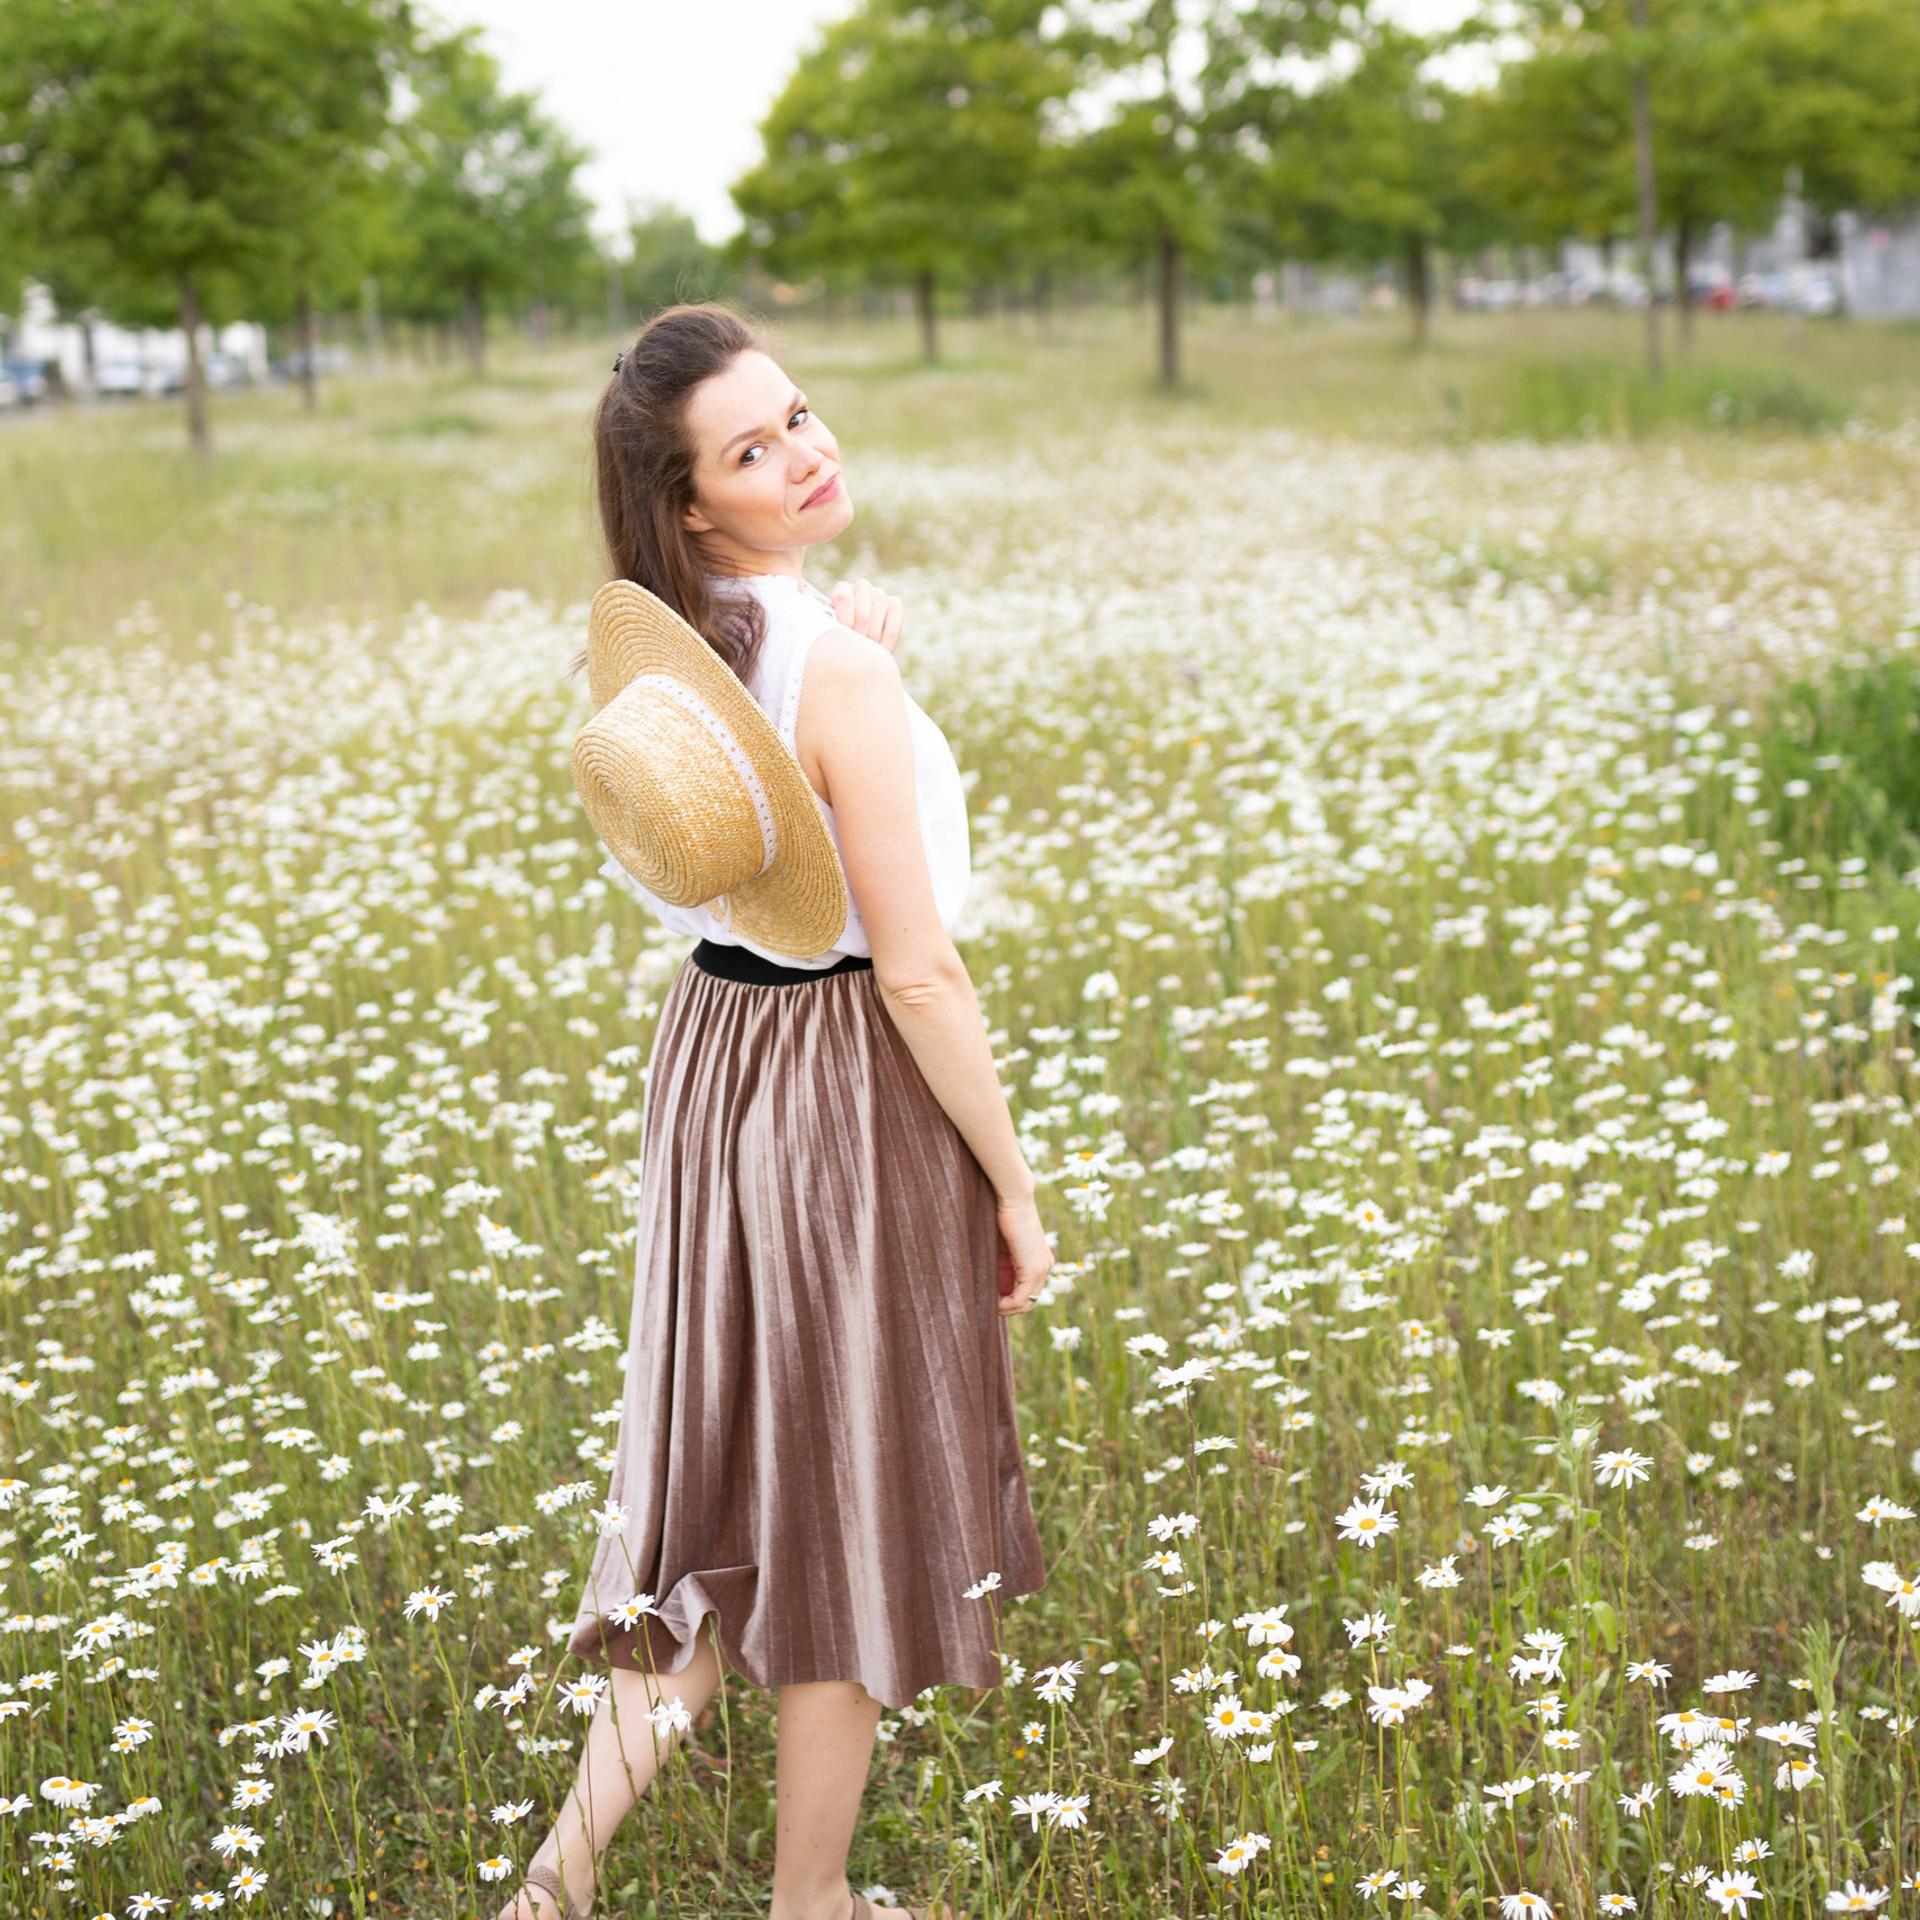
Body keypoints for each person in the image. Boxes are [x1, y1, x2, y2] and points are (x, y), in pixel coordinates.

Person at [494, 304, 1051, 1920]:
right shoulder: (832, 673)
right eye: (753, 450)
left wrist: (858, 664)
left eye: (798, 415)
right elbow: (920, 975)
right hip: (846, 1090)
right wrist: (1011, 1185)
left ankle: (557, 1882)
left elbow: (776, 822)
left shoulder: (689, 670)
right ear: (690, 505)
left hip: (718, 1066)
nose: (806, 454)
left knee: (723, 1491)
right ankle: (808, 1906)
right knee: (844, 1502)